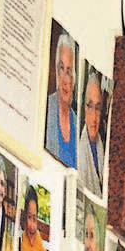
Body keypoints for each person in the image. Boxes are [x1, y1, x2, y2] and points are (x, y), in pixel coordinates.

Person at [44, 31, 79, 167]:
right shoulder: (46, 109)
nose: (65, 79)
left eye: (69, 72)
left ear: (74, 78)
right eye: (61, 68)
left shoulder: (77, 124)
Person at [77, 67, 109, 198]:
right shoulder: (79, 151)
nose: (94, 117)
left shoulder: (102, 147)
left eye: (97, 108)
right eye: (89, 106)